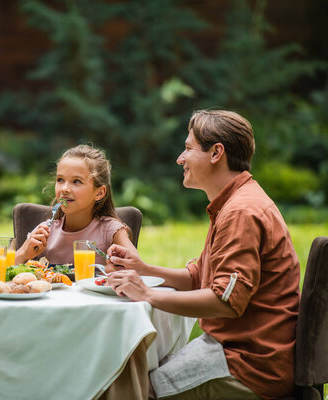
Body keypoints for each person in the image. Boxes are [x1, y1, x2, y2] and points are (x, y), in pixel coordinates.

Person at [106, 110, 300, 400]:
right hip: (234, 349)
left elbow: (225, 301)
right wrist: (145, 267)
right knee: (127, 374)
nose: (180, 159)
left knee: (128, 390)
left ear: (216, 153)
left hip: (247, 365)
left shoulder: (241, 212)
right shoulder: (233, 202)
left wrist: (147, 294)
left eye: (188, 148)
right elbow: (200, 277)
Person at [14, 144, 136, 266]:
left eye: (76, 181)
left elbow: (138, 268)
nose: (65, 189)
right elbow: (2, 273)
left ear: (99, 193)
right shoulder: (45, 231)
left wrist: (109, 269)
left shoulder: (111, 230)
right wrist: (23, 253)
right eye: (60, 180)